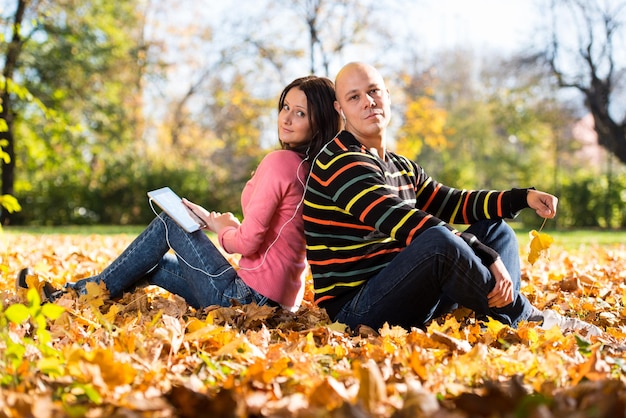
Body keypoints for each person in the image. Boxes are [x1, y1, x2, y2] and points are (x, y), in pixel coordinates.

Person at [303, 62, 601, 336]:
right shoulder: (340, 161)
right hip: (357, 311)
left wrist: (522, 198)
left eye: (373, 91)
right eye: (354, 97)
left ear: (387, 95)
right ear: (340, 109)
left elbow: (453, 202)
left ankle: (500, 319)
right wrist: (487, 255)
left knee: (495, 230)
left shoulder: (401, 165)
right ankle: (528, 319)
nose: (368, 102)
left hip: (408, 294)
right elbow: (401, 220)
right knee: (438, 243)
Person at [19, 75, 341, 312]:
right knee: (151, 266)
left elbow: (248, 242)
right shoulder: (310, 170)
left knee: (169, 221)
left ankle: (72, 296)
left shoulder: (280, 162)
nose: (286, 116)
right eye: (286, 106)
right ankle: (80, 297)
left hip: (247, 300)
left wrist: (223, 228)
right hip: (277, 305)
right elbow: (275, 239)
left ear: (320, 120)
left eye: (300, 112)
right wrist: (216, 221)